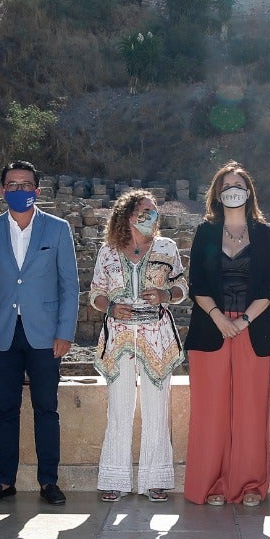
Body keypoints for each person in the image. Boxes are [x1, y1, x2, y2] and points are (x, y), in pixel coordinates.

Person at [0, 160, 78, 506]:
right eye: (13, 185)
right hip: (2, 335)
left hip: (45, 335)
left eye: (26, 184)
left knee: (47, 408)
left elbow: (70, 286)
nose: (20, 190)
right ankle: (5, 481)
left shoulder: (58, 229)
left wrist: (65, 332)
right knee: (5, 409)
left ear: (37, 190)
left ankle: (49, 481)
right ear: (2, 191)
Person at [183, 162, 270, 508]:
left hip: (253, 330)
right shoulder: (205, 232)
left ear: (249, 191)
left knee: (251, 410)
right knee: (211, 412)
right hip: (210, 330)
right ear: (217, 193)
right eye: (226, 185)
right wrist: (219, 318)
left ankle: (250, 485)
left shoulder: (265, 234)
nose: (232, 189)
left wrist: (244, 321)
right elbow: (196, 283)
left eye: (238, 184)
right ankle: (212, 485)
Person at [90, 189, 186, 502]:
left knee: (157, 408)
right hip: (118, 338)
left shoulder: (167, 247)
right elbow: (96, 292)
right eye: (143, 211)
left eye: (154, 211)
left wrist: (164, 296)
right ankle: (115, 479)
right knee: (119, 408)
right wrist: (110, 308)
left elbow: (182, 287)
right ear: (127, 215)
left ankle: (155, 479)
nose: (150, 216)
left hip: (157, 337)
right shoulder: (108, 250)